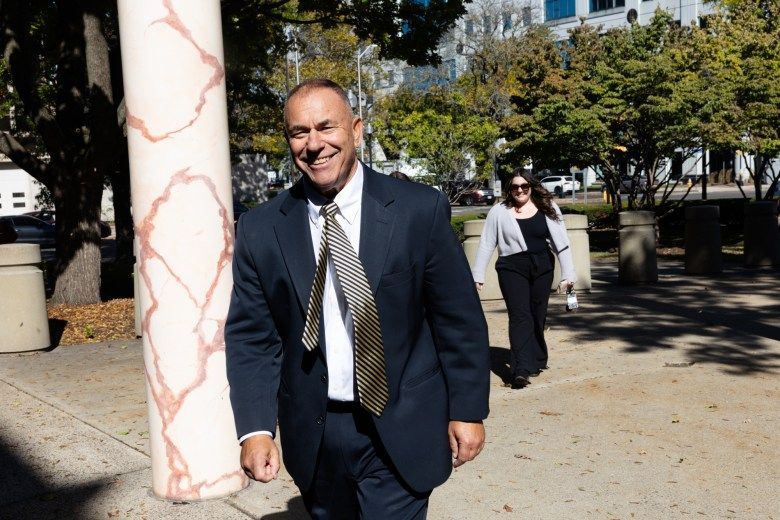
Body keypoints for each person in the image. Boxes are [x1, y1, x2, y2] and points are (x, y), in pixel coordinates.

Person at [225, 78, 490, 519]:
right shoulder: (260, 229)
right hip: (315, 432)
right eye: (299, 132)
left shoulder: (418, 210)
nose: (314, 144)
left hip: (401, 425)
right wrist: (254, 428)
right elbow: (254, 337)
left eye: (327, 127)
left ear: (356, 130)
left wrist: (467, 408)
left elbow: (456, 318)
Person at [472, 168, 576, 389]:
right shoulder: (499, 211)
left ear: (531, 186)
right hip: (511, 266)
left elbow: (562, 243)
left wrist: (568, 275)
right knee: (520, 316)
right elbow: (486, 243)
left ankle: (537, 357)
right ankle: (520, 369)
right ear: (509, 189)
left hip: (542, 265)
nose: (520, 190)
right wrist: (477, 275)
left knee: (538, 314)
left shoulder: (547, 207)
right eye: (515, 187)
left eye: (524, 186)